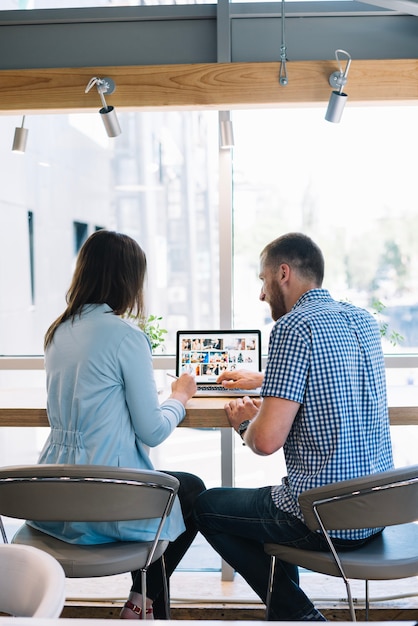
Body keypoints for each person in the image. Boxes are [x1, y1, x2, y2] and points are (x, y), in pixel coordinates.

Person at [193, 232, 394, 621]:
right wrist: (265, 380)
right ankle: (288, 615)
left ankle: (298, 613)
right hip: (374, 511)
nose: (261, 294)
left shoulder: (292, 328)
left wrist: (244, 423)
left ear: (283, 273)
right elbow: (332, 379)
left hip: (323, 520)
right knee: (261, 509)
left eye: (262, 280)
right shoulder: (363, 321)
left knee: (204, 506)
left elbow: (265, 442)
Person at [31, 229, 206, 620]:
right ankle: (143, 601)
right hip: (103, 498)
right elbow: (153, 431)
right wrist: (180, 395)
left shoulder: (58, 332)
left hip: (56, 497)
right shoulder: (126, 336)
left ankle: (141, 603)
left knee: (156, 491)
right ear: (128, 280)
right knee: (189, 492)